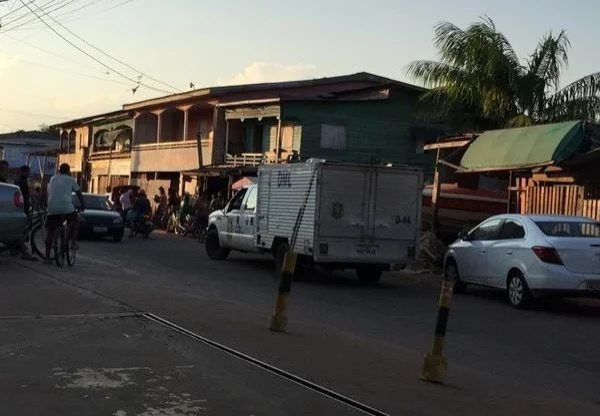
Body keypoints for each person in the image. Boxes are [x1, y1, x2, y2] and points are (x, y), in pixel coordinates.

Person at [45, 163, 85, 264]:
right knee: (77, 220)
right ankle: (73, 243)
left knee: (50, 231)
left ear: (59, 171)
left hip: (52, 209)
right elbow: (79, 194)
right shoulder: (71, 180)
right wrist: (83, 205)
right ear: (69, 171)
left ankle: (47, 257)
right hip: (67, 209)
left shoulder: (52, 179)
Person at [0, 161, 36, 260]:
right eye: (4, 169)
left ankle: (16, 249)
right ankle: (23, 252)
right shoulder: (7, 184)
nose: (6, 171)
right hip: (12, 210)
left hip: (12, 210)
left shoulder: (11, 182)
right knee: (18, 232)